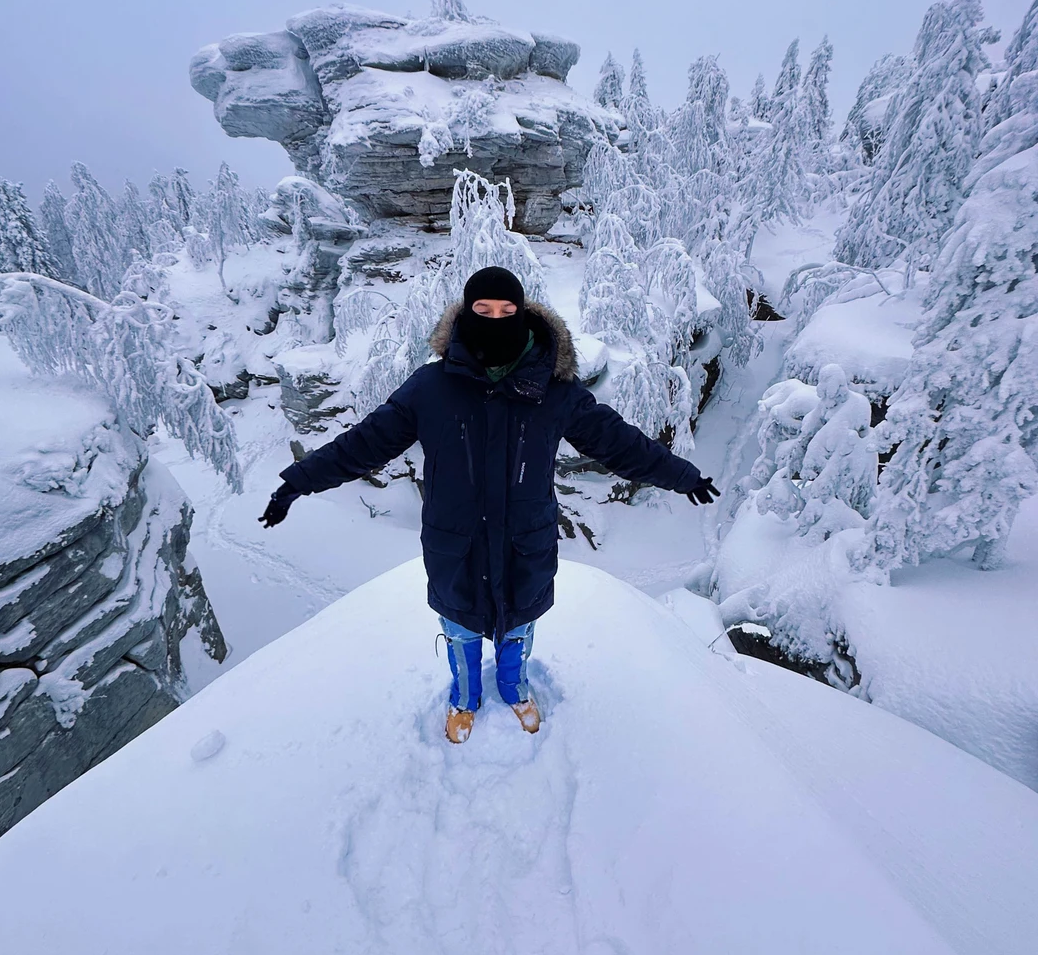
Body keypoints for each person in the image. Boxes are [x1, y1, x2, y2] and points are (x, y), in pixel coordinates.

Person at [259, 266, 719, 743]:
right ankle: (464, 698)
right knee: (459, 627)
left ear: (523, 314)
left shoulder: (554, 392)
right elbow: (364, 444)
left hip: (525, 543)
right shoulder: (431, 388)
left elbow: (619, 443)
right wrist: (300, 481)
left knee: (518, 627)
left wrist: (680, 475)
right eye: (483, 310)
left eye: (506, 311)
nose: (495, 319)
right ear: (465, 314)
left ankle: (515, 687)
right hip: (455, 543)